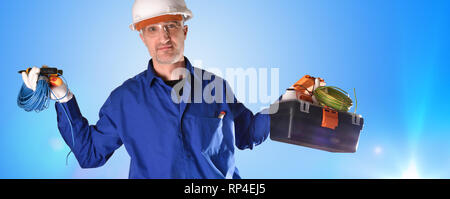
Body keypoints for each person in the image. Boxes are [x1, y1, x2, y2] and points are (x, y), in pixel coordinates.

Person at [20, 0, 270, 179]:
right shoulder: (124, 100)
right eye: (152, 28)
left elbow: (247, 134)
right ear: (142, 36)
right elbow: (91, 155)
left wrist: (287, 105)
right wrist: (65, 98)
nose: (164, 37)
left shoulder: (216, 87)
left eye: (171, 25)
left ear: (184, 30)